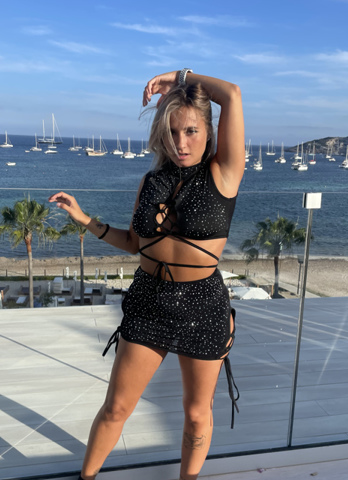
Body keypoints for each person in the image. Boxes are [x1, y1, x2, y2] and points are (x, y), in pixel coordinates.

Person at [49, 69, 245, 480]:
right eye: (172, 132)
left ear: (208, 131)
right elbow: (136, 243)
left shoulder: (224, 172)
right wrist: (86, 220)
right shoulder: (152, 180)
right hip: (149, 301)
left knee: (196, 413)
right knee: (116, 407)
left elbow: (231, 93)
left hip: (202, 306)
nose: (181, 142)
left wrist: (180, 76)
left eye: (191, 131)